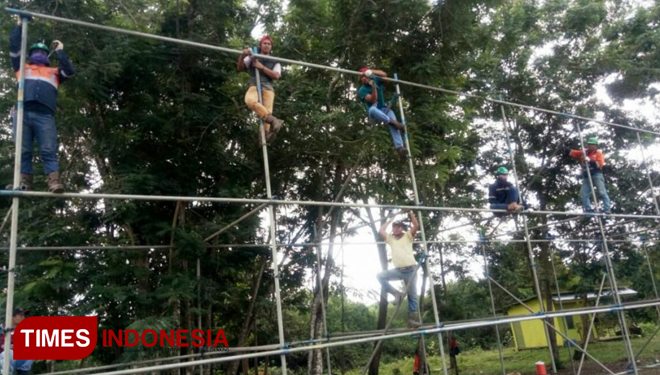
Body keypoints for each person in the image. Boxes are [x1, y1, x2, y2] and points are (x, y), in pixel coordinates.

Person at [7, 16, 75, 193]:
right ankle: (24, 182)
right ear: (30, 54)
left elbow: (69, 71)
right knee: (23, 150)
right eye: (36, 51)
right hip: (23, 113)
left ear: (47, 56)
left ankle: (54, 182)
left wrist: (61, 52)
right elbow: (14, 48)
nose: (39, 54)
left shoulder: (54, 72)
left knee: (48, 149)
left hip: (45, 115)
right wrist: (19, 26)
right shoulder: (22, 68)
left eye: (43, 52)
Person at [237, 35, 283, 145]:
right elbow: (240, 68)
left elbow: (276, 76)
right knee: (250, 100)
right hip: (254, 84)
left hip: (268, 88)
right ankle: (273, 120)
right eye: (265, 43)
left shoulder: (275, 61)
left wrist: (261, 67)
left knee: (267, 110)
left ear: (271, 47)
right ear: (260, 45)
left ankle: (265, 135)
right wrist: (243, 54)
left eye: (269, 44)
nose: (267, 46)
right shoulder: (253, 56)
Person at [378, 211, 421, 328]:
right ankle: (396, 293)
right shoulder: (391, 239)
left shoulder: (408, 236)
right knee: (380, 276)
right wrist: (390, 220)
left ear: (402, 228)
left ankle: (411, 320)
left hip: (410, 270)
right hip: (398, 271)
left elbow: (416, 226)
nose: (396, 229)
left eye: (398, 227)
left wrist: (411, 213)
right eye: (394, 227)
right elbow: (381, 231)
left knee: (412, 296)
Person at [357, 68, 407, 159]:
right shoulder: (362, 90)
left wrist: (372, 72)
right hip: (374, 114)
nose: (363, 79)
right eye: (361, 77)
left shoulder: (375, 79)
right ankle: (393, 122)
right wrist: (373, 87)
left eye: (364, 76)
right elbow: (373, 100)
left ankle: (400, 148)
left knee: (394, 125)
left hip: (384, 110)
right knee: (372, 110)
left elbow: (384, 74)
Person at [567, 138, 611, 214]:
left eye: (591, 144)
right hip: (587, 176)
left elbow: (600, 164)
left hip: (596, 174)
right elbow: (573, 152)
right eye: (589, 144)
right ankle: (588, 210)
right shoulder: (584, 152)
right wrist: (565, 148)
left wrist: (590, 161)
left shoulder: (598, 153)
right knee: (583, 194)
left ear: (596, 146)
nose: (590, 146)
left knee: (601, 192)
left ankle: (607, 209)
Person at [0, 308, 34, 375]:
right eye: (20, 315)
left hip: (14, 360)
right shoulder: (2, 328)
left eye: (23, 315)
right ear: (12, 317)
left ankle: (23, 372)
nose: (23, 317)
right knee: (9, 352)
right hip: (2, 358)